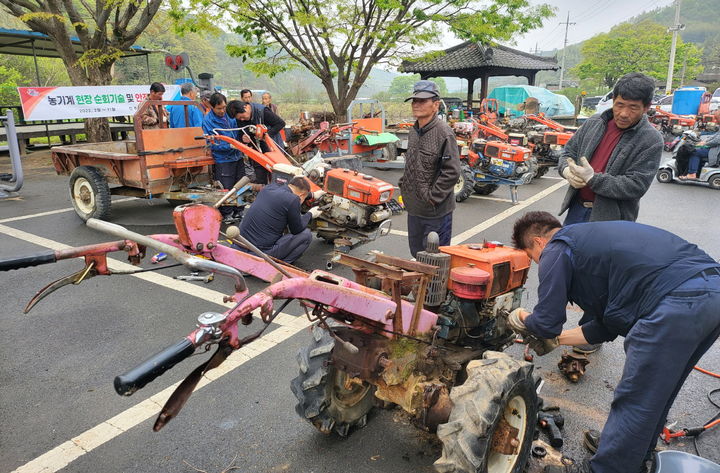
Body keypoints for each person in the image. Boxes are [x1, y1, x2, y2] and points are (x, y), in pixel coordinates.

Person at [507, 211, 720, 473]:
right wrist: (558, 341)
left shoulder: (558, 246)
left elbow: (546, 322)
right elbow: (605, 327)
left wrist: (520, 317)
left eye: (533, 258)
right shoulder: (591, 247)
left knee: (635, 398)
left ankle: (605, 468)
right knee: (657, 393)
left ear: (539, 242)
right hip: (710, 292)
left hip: (675, 301)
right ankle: (632, 453)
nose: (540, 263)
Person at [558, 72, 663, 225]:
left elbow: (636, 185)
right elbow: (568, 152)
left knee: (600, 250)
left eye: (633, 107)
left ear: (646, 107)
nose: (624, 114)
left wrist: (593, 179)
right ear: (613, 100)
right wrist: (566, 171)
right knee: (567, 248)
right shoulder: (594, 123)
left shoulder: (651, 140)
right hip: (577, 209)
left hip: (613, 220)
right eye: (619, 105)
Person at [398, 80, 460, 258]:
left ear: (436, 105)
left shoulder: (444, 132)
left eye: (422, 101)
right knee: (416, 254)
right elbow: (412, 163)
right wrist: (404, 186)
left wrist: (432, 197)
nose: (416, 105)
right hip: (414, 209)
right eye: (414, 101)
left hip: (435, 212)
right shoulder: (413, 131)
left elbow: (452, 170)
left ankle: (432, 287)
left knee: (435, 259)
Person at [238, 176, 321, 264]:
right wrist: (310, 214)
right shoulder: (293, 200)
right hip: (260, 253)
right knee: (306, 235)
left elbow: (293, 194)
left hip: (241, 246)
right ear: (301, 196)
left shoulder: (268, 188)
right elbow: (296, 230)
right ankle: (280, 265)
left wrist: (312, 195)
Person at [202, 92, 244, 223]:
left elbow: (239, 131)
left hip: (238, 156)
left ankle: (239, 211)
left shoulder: (230, 116)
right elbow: (211, 143)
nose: (222, 111)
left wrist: (242, 140)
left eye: (224, 107)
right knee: (226, 186)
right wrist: (230, 146)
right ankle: (226, 213)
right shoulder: (208, 121)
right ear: (212, 107)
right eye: (219, 108)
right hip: (223, 159)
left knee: (240, 184)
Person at [230, 99, 286, 184]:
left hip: (273, 150)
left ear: (245, 107)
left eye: (242, 116)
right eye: (239, 118)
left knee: (278, 178)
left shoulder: (262, 111)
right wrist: (244, 138)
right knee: (260, 178)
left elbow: (280, 123)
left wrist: (266, 135)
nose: (241, 119)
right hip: (257, 152)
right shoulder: (240, 119)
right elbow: (242, 133)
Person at [679, 112, 720, 179]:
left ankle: (692, 174)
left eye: (716, 119)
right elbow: (715, 136)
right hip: (714, 149)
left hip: (716, 151)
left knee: (694, 152)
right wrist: (705, 141)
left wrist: (705, 143)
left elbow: (717, 140)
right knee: (697, 150)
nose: (715, 121)